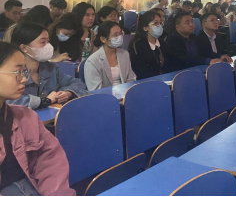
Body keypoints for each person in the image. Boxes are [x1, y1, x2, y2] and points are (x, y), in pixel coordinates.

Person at [0, 41, 76, 196]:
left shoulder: (26, 117)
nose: (24, 79)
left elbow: (50, 160)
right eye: (17, 72)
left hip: (29, 187)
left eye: (24, 72)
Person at [8, 22, 87, 110]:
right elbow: (9, 101)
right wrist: (45, 101)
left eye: (48, 41)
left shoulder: (50, 68)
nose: (48, 46)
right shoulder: (11, 72)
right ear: (24, 48)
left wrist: (67, 93)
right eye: (42, 42)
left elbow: (77, 83)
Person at [165, 13, 230, 73]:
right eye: (187, 23)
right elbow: (186, 57)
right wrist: (208, 61)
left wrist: (220, 56)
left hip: (196, 69)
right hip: (179, 73)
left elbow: (204, 52)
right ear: (178, 27)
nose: (191, 25)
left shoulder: (194, 37)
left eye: (192, 22)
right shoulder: (172, 40)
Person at [84, 22, 136, 91]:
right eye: (115, 34)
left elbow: (131, 79)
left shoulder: (124, 54)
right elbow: (96, 90)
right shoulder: (93, 61)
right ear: (103, 39)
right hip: (105, 96)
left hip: (124, 93)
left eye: (120, 33)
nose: (119, 37)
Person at [129, 11, 166, 80]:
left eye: (160, 23)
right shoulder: (137, 46)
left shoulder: (162, 43)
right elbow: (139, 71)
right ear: (145, 28)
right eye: (155, 23)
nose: (159, 26)